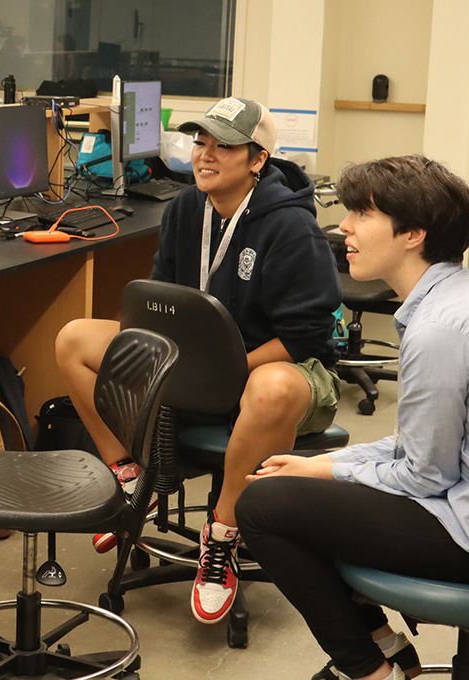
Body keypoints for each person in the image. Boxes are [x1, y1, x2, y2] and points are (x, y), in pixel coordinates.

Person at [233, 155, 469, 680]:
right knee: (298, 483)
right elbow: (417, 445)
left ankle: (370, 669)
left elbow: (424, 473)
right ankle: (383, 645)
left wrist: (328, 470)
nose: (343, 227)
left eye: (362, 215)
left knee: (261, 505)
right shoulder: (455, 299)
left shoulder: (441, 328)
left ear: (413, 234)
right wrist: (326, 465)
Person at [55, 97, 342, 625]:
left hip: (284, 368)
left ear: (257, 160)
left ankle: (224, 534)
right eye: (201, 142)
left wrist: (226, 376)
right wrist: (169, 363)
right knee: (75, 339)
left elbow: (305, 336)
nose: (205, 156)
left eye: (224, 146)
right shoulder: (187, 208)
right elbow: (165, 300)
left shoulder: (290, 226)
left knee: (271, 389)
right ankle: (127, 474)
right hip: (195, 360)